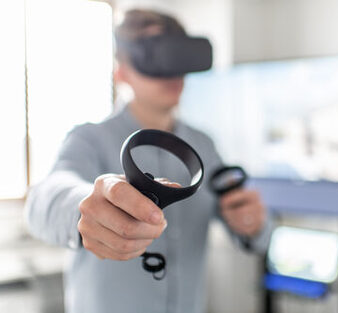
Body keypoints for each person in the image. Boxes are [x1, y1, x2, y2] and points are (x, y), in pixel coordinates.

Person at [25, 9, 272, 313]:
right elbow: (43, 199)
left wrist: (252, 224)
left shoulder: (204, 146)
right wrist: (84, 207)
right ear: (121, 72)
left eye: (176, 56)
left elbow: (253, 233)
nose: (170, 73)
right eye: (155, 57)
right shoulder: (88, 139)